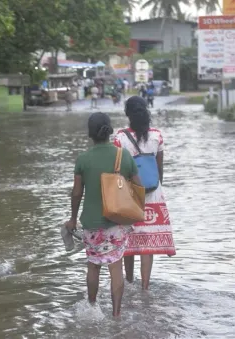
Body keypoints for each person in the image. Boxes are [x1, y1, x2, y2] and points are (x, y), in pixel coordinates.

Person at [65, 112, 141, 317]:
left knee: (93, 266)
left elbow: (77, 193)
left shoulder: (83, 159)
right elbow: (138, 186)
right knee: (116, 268)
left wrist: (73, 219)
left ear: (90, 133)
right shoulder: (123, 155)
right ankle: (116, 315)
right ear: (109, 130)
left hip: (91, 222)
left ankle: (92, 307)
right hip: (117, 222)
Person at [113, 96, 176, 290]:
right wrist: (156, 188)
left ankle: (130, 282)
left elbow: (118, 171)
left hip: (130, 195)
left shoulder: (120, 138)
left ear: (128, 114)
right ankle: (145, 287)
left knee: (129, 241)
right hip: (154, 195)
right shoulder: (157, 135)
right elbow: (160, 167)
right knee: (147, 244)